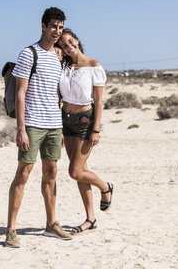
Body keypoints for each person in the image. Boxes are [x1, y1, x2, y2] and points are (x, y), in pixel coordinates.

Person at [6, 7, 72, 248]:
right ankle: (11, 229)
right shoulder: (28, 53)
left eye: (61, 27)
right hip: (33, 124)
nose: (57, 31)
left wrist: (62, 128)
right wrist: (20, 128)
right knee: (23, 174)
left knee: (52, 173)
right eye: (53, 26)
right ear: (43, 26)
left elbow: (56, 95)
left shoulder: (58, 56)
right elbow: (20, 94)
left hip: (54, 124)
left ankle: (51, 223)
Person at [57, 28, 113, 234]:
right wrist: (59, 127)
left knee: (75, 172)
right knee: (80, 172)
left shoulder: (93, 66)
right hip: (65, 121)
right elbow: (59, 98)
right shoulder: (63, 67)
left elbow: (98, 101)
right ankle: (90, 219)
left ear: (77, 41)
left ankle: (105, 187)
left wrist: (96, 129)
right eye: (63, 45)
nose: (68, 46)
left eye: (70, 41)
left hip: (84, 121)